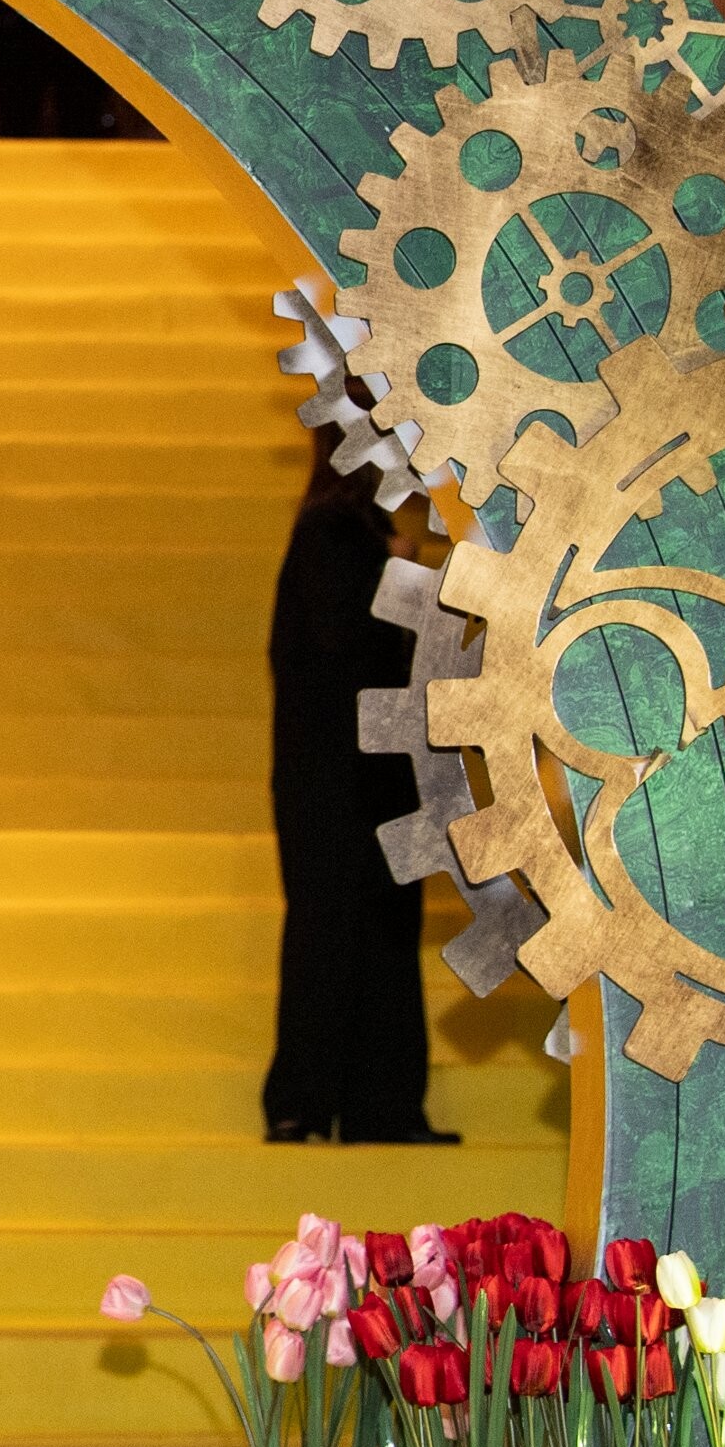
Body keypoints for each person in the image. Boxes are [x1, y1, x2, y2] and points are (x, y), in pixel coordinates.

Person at [259, 452, 445, 1145]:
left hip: (366, 771)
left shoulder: (346, 530)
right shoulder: (332, 532)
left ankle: (371, 1104)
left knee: (376, 929)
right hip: (335, 776)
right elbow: (345, 640)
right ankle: (319, 1101)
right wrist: (400, 573)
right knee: (335, 927)